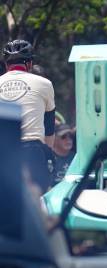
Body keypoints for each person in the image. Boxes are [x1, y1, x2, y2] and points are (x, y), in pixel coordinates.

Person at [0, 39, 56, 193]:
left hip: (3, 150)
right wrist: (48, 153)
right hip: (32, 150)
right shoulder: (45, 84)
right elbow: (49, 128)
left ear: (6, 65)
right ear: (30, 64)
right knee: (36, 198)